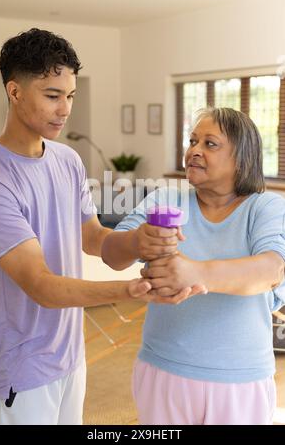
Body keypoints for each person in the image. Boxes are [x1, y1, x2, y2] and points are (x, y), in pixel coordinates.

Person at [0, 28, 196, 425]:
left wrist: (139, 241)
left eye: (70, 96)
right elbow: (41, 285)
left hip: (69, 355)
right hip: (20, 369)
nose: (65, 109)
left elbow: (94, 238)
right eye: (52, 96)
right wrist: (132, 290)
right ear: (14, 92)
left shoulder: (68, 161)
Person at [102, 107, 285, 425]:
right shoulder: (166, 201)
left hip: (240, 380)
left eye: (210, 144)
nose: (194, 151)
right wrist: (137, 242)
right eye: (192, 141)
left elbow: (270, 271)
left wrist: (193, 272)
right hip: (163, 370)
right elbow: (112, 255)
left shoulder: (265, 207)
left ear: (242, 157)